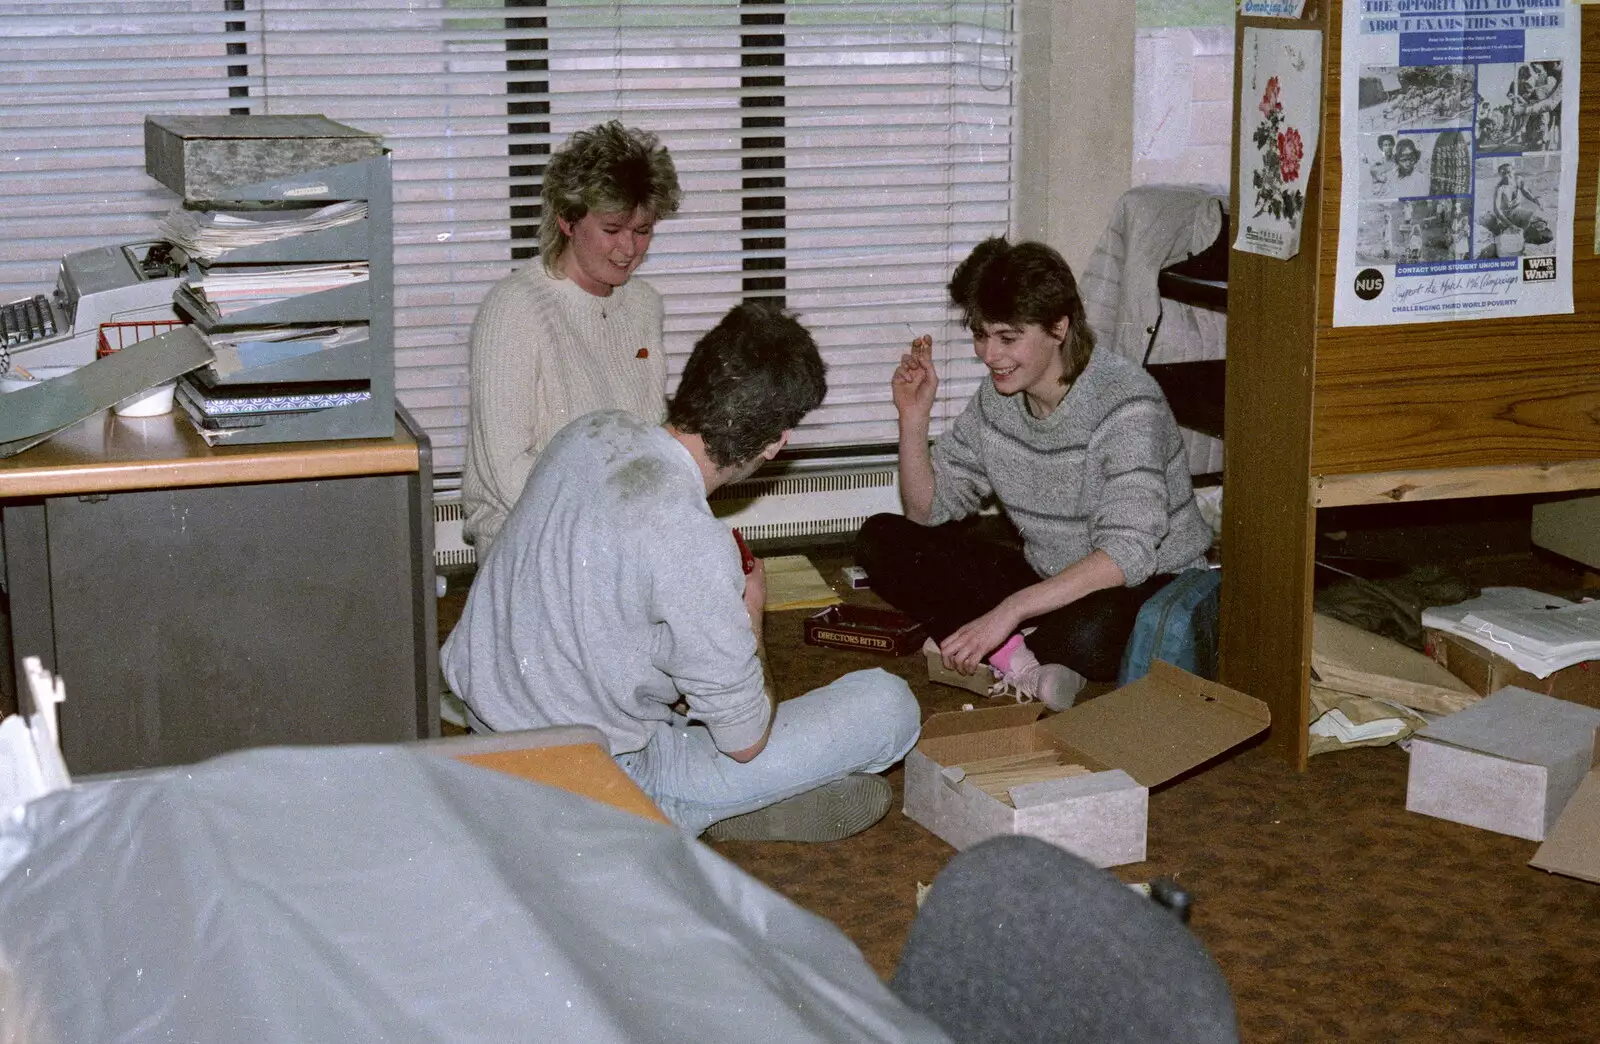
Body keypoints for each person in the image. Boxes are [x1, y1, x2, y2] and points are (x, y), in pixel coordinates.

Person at [443, 302, 923, 841]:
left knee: (678, 679)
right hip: (595, 780)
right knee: (889, 706)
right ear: (775, 443)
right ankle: (687, 811)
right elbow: (745, 738)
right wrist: (749, 615)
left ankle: (711, 806)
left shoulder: (592, 430)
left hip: (486, 731)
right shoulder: (693, 542)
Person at [855, 238, 1211, 710]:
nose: (989, 354)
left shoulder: (1126, 403)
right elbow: (927, 511)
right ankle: (1023, 660)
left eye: (1007, 337)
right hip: (1050, 574)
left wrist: (1009, 610)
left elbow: (1126, 555)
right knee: (881, 538)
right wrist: (913, 420)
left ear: (1058, 327)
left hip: (1142, 582)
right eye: (981, 335)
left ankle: (1003, 643)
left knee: (1086, 637)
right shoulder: (996, 399)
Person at [460, 120, 681, 551]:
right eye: (612, 230)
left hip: (621, 536)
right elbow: (505, 470)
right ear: (567, 220)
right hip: (528, 539)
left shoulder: (644, 305)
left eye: (643, 231)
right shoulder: (515, 307)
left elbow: (646, 441)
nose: (630, 250)